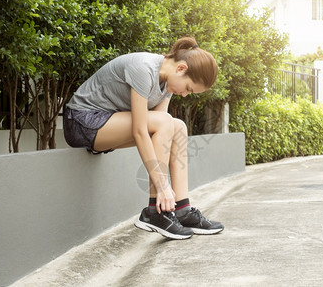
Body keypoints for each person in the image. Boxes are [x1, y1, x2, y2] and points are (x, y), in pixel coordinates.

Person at [63, 37, 224, 240]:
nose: (184, 95)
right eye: (189, 88)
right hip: (81, 121)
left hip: (108, 125)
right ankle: (155, 211)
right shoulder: (143, 68)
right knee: (166, 122)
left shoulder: (168, 83)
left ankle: (182, 208)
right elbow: (141, 131)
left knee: (178, 127)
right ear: (181, 68)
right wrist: (163, 187)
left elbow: (161, 133)